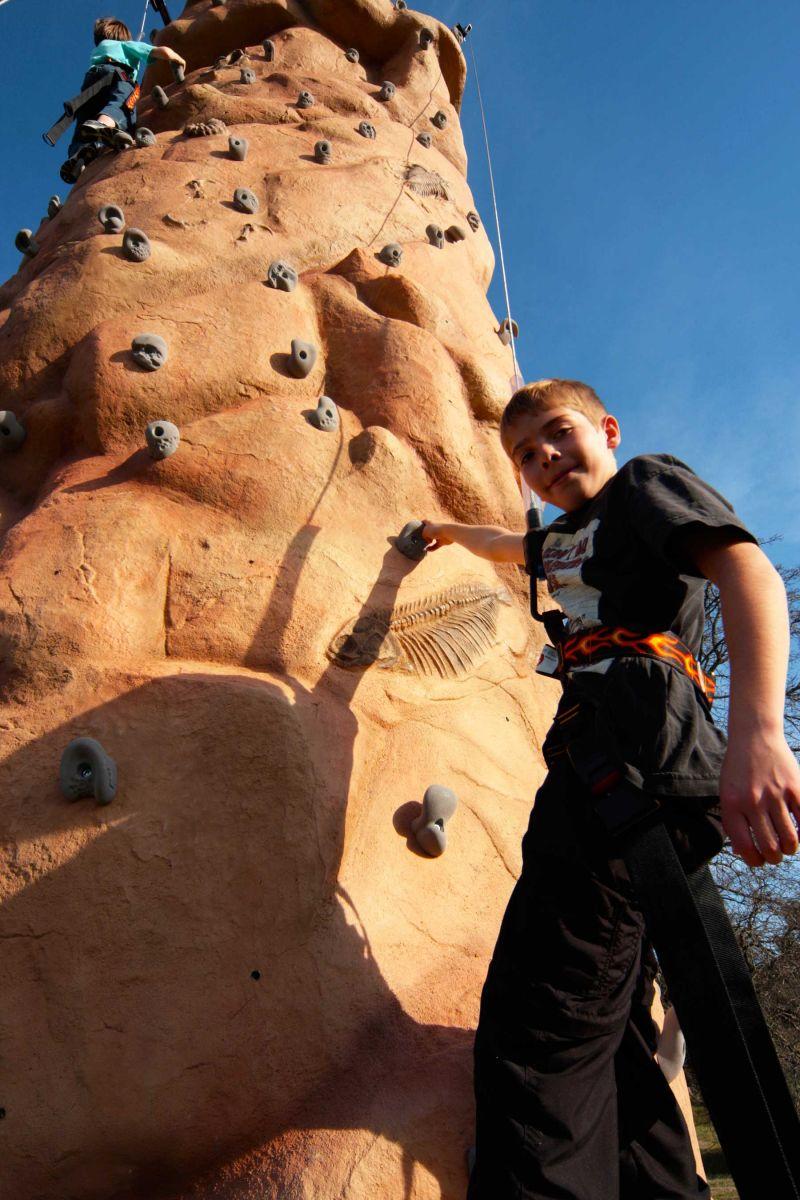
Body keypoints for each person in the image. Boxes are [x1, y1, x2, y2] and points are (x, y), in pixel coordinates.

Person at [419, 378, 800, 1199]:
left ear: (607, 429)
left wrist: (761, 735)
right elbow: (503, 543)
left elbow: (748, 573)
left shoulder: (644, 487)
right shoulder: (562, 541)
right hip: (605, 760)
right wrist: (444, 532)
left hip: (634, 755)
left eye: (559, 434)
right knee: (613, 1029)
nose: (544, 458)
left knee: (540, 1024)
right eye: (525, 453)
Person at [60, 16, 186, 184]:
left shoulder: (99, 49)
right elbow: (160, 51)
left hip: (90, 85)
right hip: (117, 76)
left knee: (86, 116)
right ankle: (104, 124)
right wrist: (177, 58)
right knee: (123, 103)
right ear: (122, 36)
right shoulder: (126, 45)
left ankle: (77, 157)